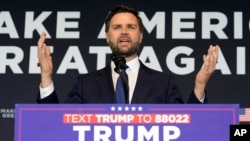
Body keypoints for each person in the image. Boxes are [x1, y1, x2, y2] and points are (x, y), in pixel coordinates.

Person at [37, 5, 219, 104]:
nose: (124, 32)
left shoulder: (163, 83)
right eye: (117, 27)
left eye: (131, 27)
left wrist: (199, 87)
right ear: (107, 36)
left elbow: (188, 127)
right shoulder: (86, 84)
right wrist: (46, 77)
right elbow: (57, 124)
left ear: (140, 35)